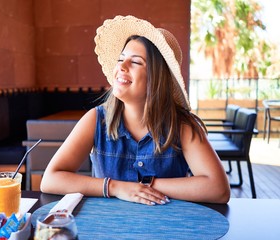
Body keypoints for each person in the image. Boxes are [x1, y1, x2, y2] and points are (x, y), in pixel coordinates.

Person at [41, 15, 230, 205]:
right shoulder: (96, 119)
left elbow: (218, 189)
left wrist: (146, 184)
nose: (121, 67)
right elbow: (50, 180)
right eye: (120, 59)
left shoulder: (181, 125)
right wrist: (116, 187)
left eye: (136, 62)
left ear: (156, 79)